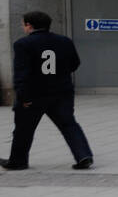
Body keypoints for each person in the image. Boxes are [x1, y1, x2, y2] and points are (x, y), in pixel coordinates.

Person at [2, 11, 94, 170]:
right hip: (61, 92)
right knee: (69, 124)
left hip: (34, 94)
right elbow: (75, 63)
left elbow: (21, 73)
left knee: (24, 129)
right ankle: (84, 156)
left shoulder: (22, 44)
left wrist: (22, 97)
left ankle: (18, 161)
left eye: (23, 24)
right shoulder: (65, 41)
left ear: (28, 25)